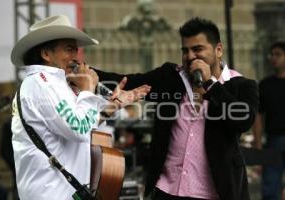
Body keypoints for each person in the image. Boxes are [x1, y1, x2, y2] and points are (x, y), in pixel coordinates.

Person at [95, 17, 259, 200]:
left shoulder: (241, 85)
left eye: (197, 49)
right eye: (185, 50)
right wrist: (87, 74)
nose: (190, 56)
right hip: (168, 190)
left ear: (218, 50)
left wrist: (210, 85)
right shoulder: (171, 77)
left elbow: (243, 120)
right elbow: (126, 82)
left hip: (215, 192)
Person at [10, 15, 150, 200]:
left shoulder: (50, 84)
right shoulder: (43, 84)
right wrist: (88, 89)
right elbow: (78, 129)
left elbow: (82, 123)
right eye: (69, 50)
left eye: (76, 50)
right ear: (46, 53)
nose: (76, 58)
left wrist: (112, 107)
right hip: (50, 193)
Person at [252, 41, 285, 200]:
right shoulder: (265, 85)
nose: (273, 58)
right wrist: (258, 146)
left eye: (278, 54)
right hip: (273, 141)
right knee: (270, 189)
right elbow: (258, 116)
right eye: (271, 54)